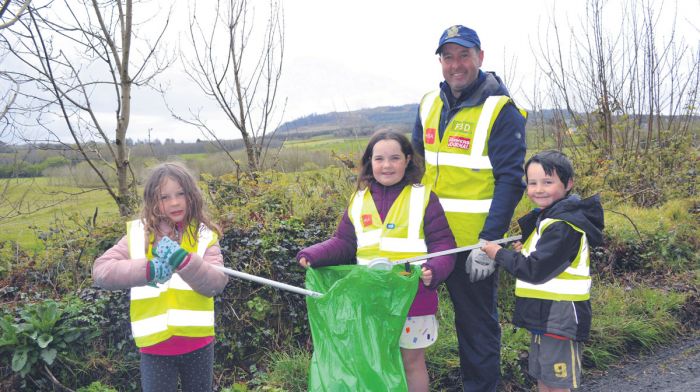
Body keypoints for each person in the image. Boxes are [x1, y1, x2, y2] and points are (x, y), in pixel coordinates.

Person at [411, 24, 528, 391]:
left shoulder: (501, 110)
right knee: (405, 324)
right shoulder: (429, 103)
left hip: (469, 245)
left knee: (476, 328)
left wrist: (488, 243)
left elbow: (511, 180)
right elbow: (415, 169)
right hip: (425, 242)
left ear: (480, 57)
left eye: (464, 55)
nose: (456, 64)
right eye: (448, 56)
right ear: (441, 62)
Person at [297, 130, 456, 392]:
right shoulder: (358, 200)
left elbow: (444, 245)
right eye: (379, 158)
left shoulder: (424, 196)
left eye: (394, 158)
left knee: (410, 363)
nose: (387, 165)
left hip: (412, 298)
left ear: (407, 160)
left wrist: (435, 270)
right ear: (369, 162)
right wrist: (312, 254)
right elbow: (344, 242)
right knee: (373, 363)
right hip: (369, 301)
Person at [92, 162, 228, 392]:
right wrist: (149, 270)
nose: (174, 202)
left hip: (198, 343)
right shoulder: (139, 235)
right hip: (155, 347)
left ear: (192, 195)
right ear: (153, 201)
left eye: (180, 194)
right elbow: (101, 271)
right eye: (164, 197)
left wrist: (186, 262)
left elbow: (216, 283)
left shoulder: (205, 236)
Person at [481, 150, 604, 391]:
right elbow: (542, 261)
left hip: (560, 315)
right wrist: (519, 252)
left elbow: (534, 270)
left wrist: (498, 253)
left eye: (548, 182)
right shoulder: (547, 220)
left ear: (568, 184)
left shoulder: (563, 226)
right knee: (542, 377)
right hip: (544, 315)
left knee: (557, 383)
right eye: (533, 183)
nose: (539, 189)